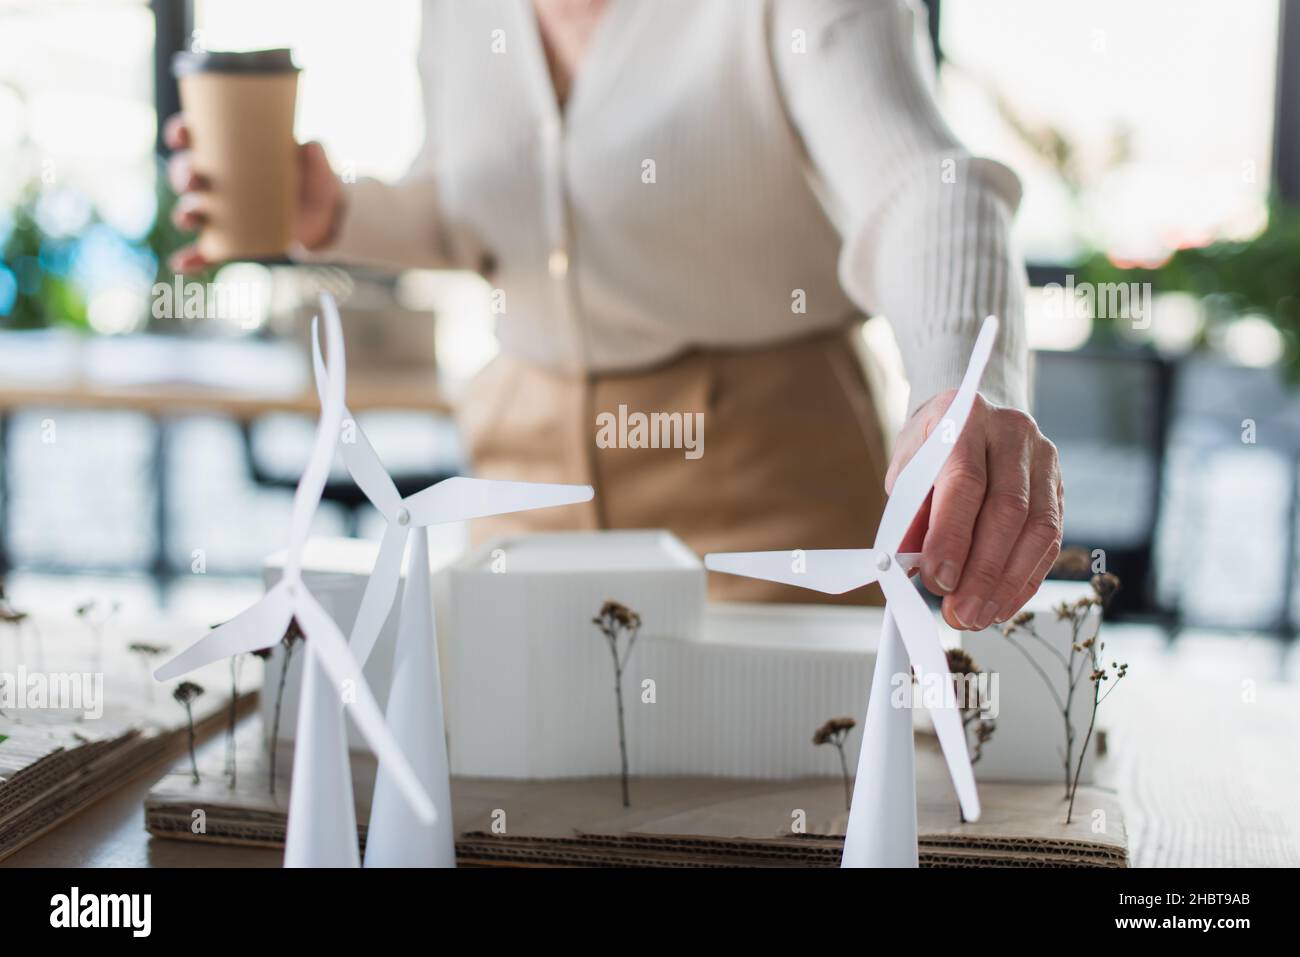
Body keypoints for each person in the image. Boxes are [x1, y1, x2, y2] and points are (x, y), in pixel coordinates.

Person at [165, 0, 1063, 631]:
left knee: (771, 800)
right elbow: (478, 203)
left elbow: (923, 190)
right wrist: (339, 216)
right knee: (517, 804)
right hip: (524, 474)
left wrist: (960, 380)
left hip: (762, 472)